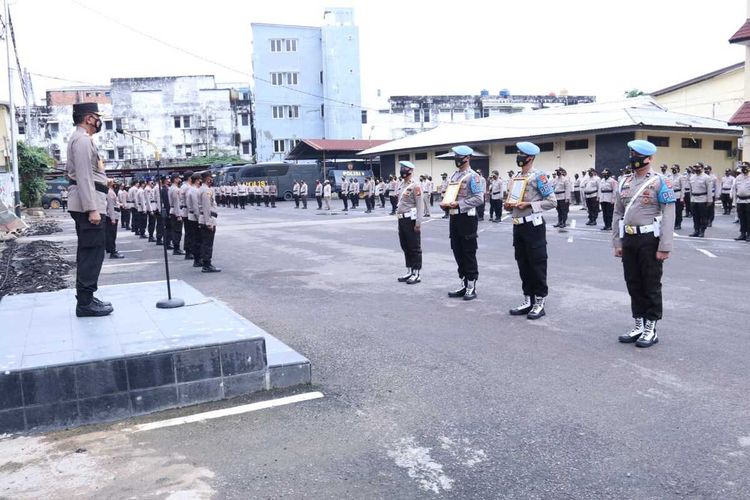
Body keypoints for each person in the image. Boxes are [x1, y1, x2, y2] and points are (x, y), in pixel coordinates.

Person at [613, 140, 676, 348]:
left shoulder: (660, 181)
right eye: (631, 154)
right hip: (629, 238)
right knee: (633, 282)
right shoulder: (624, 181)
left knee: (650, 284)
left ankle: (651, 327)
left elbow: (668, 213)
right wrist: (617, 241)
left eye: (637, 155)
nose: (633, 158)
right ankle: (638, 324)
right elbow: (618, 213)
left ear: (649, 158)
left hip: (649, 240)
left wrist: (665, 246)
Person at [65, 102, 113, 317]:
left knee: (90, 251)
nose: (98, 120)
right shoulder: (82, 140)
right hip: (89, 204)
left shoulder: (82, 139)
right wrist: (92, 209)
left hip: (90, 200)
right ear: (87, 118)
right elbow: (84, 176)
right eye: (96, 116)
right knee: (91, 253)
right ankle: (85, 303)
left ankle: (87, 297)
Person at [505, 142, 557, 319]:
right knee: (522, 262)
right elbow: (512, 201)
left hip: (533, 225)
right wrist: (508, 206)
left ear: (530, 157)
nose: (518, 157)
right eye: (518, 153)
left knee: (537, 263)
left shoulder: (539, 177)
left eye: (522, 154)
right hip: (518, 225)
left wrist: (530, 204)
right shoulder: (515, 178)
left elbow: (552, 201)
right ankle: (528, 299)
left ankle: (540, 301)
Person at [440, 145, 484, 301]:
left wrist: (459, 204)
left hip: (467, 218)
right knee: (456, 249)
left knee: (468, 251)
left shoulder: (474, 177)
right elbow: (446, 193)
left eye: (460, 157)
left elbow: (479, 199)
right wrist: (444, 202)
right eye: (456, 156)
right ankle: (463, 282)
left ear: (467, 158)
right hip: (454, 217)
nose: (457, 159)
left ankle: (471, 285)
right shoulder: (453, 176)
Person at [395, 161, 424, 284]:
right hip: (401, 219)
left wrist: (418, 223)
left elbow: (420, 205)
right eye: (401, 168)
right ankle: (409, 270)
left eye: (404, 169)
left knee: (414, 247)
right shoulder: (401, 185)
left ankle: (416, 273)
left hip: (410, 220)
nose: (402, 171)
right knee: (405, 246)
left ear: (410, 171)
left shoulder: (415, 186)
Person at [198, 172, 221, 272]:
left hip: (206, 218)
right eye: (211, 178)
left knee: (206, 243)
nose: (212, 179)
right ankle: (207, 265)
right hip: (208, 219)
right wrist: (208, 223)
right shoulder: (205, 190)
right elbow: (207, 207)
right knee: (208, 243)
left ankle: (206, 263)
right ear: (207, 179)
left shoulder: (204, 189)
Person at [689, 163, 711, 237]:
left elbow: (709, 189)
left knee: (703, 216)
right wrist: (690, 199)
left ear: (702, 168)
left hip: (703, 199)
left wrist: (709, 200)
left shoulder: (706, 177)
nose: (696, 169)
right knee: (695, 216)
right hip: (694, 199)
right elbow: (691, 189)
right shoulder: (692, 177)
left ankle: (702, 231)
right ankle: (696, 230)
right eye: (695, 167)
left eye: (698, 167)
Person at [105, 180, 124, 259]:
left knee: (111, 234)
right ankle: (112, 251)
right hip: (112, 215)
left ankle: (110, 249)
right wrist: (112, 218)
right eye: (114, 183)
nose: (115, 184)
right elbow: (110, 206)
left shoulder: (110, 191)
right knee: (112, 234)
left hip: (113, 214)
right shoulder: (110, 192)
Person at [188, 173, 203, 267]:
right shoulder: (193, 190)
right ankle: (197, 260)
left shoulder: (194, 189)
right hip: (194, 218)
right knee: (197, 239)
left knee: (197, 239)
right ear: (197, 180)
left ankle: (198, 259)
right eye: (200, 179)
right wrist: (199, 219)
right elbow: (195, 207)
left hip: (193, 217)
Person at [733, 162, 750, 240]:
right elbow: (735, 189)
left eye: (745, 167)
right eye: (742, 167)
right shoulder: (738, 177)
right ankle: (742, 234)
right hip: (740, 200)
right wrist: (735, 201)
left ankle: (749, 234)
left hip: (748, 201)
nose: (744, 169)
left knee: (748, 218)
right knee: (741, 218)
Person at [169, 174, 184, 255]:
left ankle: (176, 248)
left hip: (173, 211)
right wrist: (178, 215)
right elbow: (176, 202)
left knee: (176, 231)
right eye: (178, 178)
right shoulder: (175, 189)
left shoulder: (172, 188)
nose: (179, 179)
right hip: (175, 212)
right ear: (175, 179)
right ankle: (176, 248)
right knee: (177, 231)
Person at [669, 165, 684, 230]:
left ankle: (678, 224)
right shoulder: (670, 176)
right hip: (671, 195)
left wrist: (682, 197)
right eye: (672, 169)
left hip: (678, 195)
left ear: (678, 169)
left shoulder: (681, 177)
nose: (673, 170)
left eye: (674, 169)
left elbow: (683, 188)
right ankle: (673, 223)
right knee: (672, 211)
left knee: (678, 211)